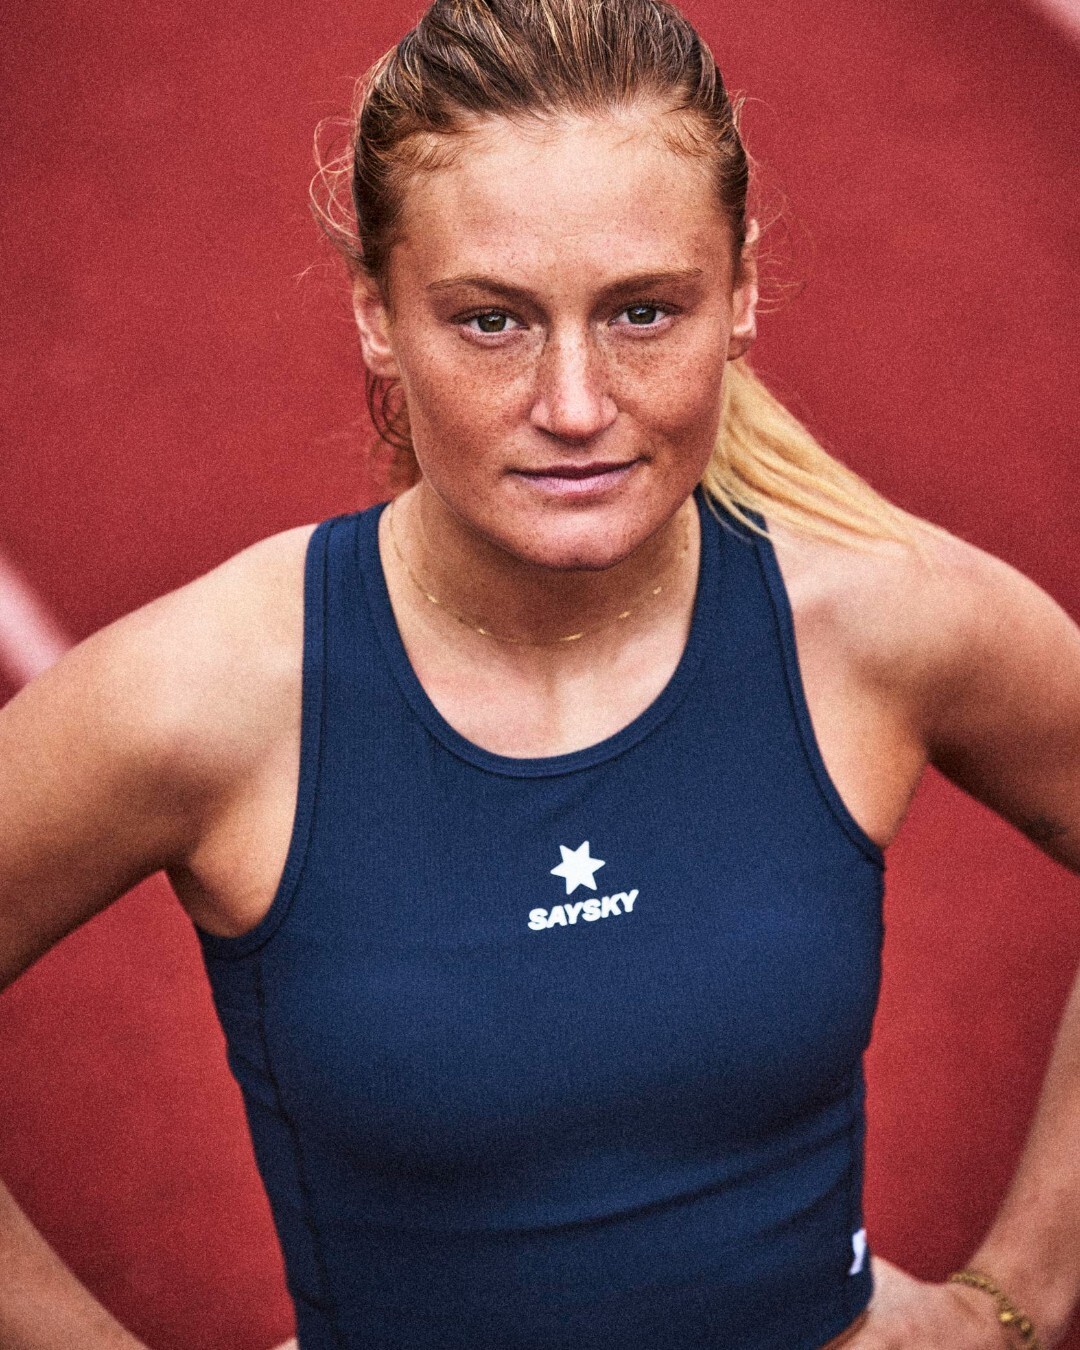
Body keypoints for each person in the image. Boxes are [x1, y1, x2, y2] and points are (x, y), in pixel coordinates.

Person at [1, 0, 1078, 1345]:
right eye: (492, 322)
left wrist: (1022, 1290)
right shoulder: (210, 695)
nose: (575, 405)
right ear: (377, 313)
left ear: (740, 296)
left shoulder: (881, 620)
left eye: (644, 311)